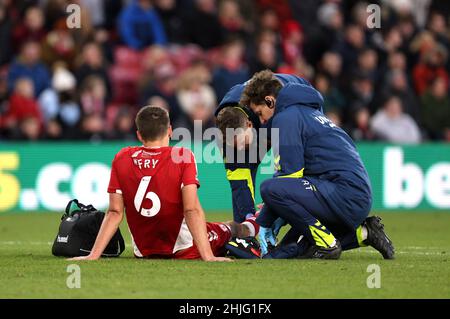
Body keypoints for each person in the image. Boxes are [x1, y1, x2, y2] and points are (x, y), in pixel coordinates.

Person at [234, 70, 395, 260]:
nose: (262, 121)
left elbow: (288, 179)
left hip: (342, 194)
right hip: (349, 195)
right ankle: (366, 233)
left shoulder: (287, 118)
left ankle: (327, 243)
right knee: (287, 251)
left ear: (270, 101)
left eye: (260, 113)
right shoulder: (309, 112)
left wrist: (264, 222)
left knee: (269, 188)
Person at [70, 105, 258, 261]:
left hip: (143, 252)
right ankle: (259, 218)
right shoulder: (182, 156)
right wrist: (208, 256)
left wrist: (92, 256)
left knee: (216, 228)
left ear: (139, 135)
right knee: (231, 228)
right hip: (184, 249)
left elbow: (114, 212)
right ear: (170, 131)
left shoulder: (122, 157)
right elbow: (190, 209)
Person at [215, 73, 313, 223]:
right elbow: (238, 181)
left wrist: (271, 205)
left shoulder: (276, 105)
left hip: (301, 102)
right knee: (239, 171)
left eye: (243, 142)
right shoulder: (227, 130)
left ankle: (310, 219)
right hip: (261, 127)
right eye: (236, 146)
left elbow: (286, 168)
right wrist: (248, 217)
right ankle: (246, 235)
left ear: (249, 124)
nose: (241, 149)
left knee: (305, 166)